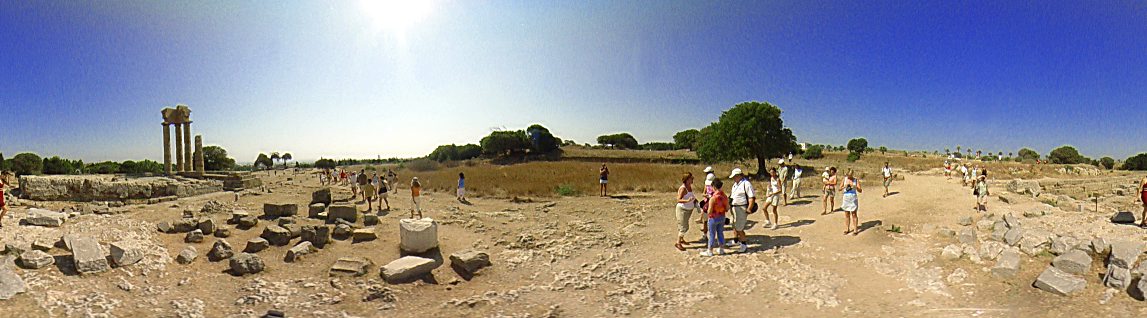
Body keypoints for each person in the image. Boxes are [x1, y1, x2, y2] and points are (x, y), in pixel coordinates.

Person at [727, 168, 754, 253]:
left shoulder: (746, 184)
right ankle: (736, 240)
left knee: (739, 227)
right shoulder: (735, 184)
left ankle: (743, 244)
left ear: (738, 176)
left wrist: (749, 208)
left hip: (741, 207)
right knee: (734, 224)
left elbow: (751, 197)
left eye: (734, 177)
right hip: (734, 207)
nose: (733, 179)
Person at [701, 179, 728, 257]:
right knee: (720, 233)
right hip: (722, 216)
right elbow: (727, 208)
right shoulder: (724, 196)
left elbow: (709, 211)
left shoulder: (713, 198)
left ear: (714, 187)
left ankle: (710, 250)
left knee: (712, 234)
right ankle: (721, 249)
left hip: (713, 218)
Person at [674, 172, 698, 251]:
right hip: (682, 210)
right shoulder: (683, 188)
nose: (693, 179)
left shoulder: (689, 187)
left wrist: (695, 202)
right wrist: (687, 201)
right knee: (684, 227)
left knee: (684, 225)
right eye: (691, 178)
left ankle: (681, 239)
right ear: (687, 179)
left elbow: (691, 196)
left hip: (688, 210)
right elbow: (678, 199)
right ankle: (678, 243)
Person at [840, 169, 862, 235]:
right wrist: (844, 186)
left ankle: (855, 229)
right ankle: (847, 228)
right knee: (846, 214)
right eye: (848, 175)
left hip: (853, 198)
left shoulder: (856, 180)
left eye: (850, 175)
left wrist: (855, 187)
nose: (849, 177)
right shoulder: (844, 179)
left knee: (854, 214)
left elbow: (860, 190)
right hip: (846, 198)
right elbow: (839, 188)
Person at [697, 166, 716, 234]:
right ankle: (705, 225)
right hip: (707, 199)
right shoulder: (707, 182)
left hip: (712, 201)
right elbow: (704, 192)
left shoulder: (715, 184)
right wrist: (706, 195)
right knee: (704, 209)